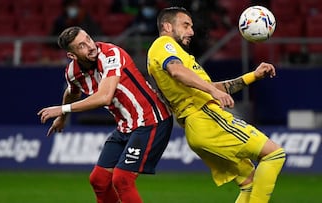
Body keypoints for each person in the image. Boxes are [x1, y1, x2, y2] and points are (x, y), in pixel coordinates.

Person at [147, 7, 285, 203]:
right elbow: (177, 71)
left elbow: (212, 86)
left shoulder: (181, 57)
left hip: (197, 127)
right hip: (206, 117)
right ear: (167, 26)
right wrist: (213, 92)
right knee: (274, 154)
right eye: (186, 25)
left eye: (192, 27)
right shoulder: (164, 44)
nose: (191, 32)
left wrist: (252, 76)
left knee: (249, 182)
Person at [37, 26, 173, 203]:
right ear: (72, 56)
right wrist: (62, 118)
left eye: (88, 38)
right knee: (99, 180)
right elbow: (72, 92)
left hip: (151, 120)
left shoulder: (110, 54)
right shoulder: (72, 72)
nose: (90, 45)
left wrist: (63, 110)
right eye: (81, 46)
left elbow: (104, 97)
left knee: (122, 179)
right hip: (126, 126)